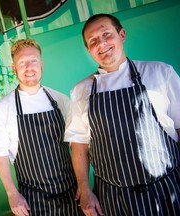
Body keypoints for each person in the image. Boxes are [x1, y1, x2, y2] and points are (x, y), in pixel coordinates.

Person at [65, 13, 180, 216]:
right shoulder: (81, 90)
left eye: (106, 34)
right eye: (93, 41)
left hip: (168, 187)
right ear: (88, 50)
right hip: (115, 199)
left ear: (122, 34)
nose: (101, 43)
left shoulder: (160, 72)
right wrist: (84, 189)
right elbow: (79, 145)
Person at [0, 38, 83, 216]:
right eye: (22, 63)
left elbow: (77, 145)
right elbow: (0, 156)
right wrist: (12, 193)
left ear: (41, 64)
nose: (29, 67)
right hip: (33, 201)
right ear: (14, 68)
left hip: (72, 194)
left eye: (33, 61)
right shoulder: (1, 109)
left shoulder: (61, 100)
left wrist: (83, 186)